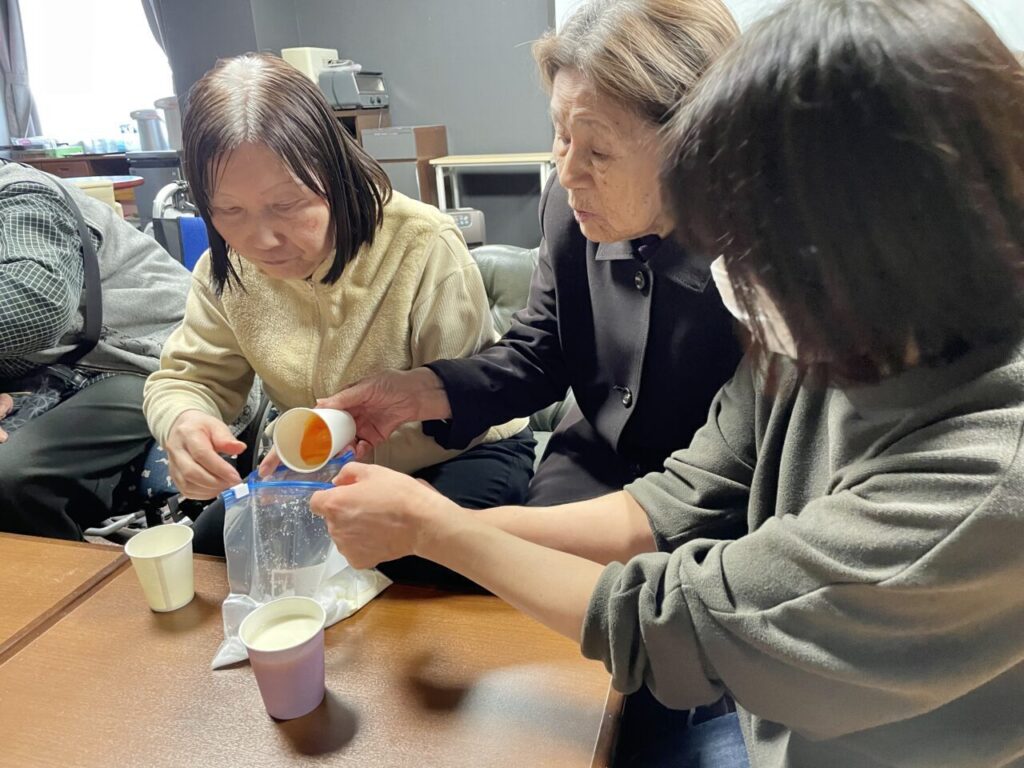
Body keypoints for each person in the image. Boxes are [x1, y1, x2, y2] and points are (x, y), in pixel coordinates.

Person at [307, 0, 1024, 764]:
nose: (729, 263)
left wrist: (439, 530)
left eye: (749, 235)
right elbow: (675, 498)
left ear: (874, 236)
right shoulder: (827, 339)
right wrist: (438, 519)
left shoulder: (981, 471)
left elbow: (678, 623)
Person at [318, 0, 744, 507]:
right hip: (595, 459)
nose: (567, 173)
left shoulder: (764, 257)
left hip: (716, 485)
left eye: (598, 151)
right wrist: (417, 393)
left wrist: (447, 528)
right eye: (560, 135)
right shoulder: (568, 209)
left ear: (695, 148)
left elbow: (743, 459)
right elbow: (542, 351)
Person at [143, 53, 533, 558]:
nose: (261, 239)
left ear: (334, 173)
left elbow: (464, 404)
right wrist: (183, 421)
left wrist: (338, 467)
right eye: (229, 210)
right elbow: (188, 377)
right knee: (215, 547)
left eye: (286, 205)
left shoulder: (420, 243)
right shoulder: (227, 270)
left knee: (419, 560)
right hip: (318, 465)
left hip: (459, 451)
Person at [0, 161, 191, 539]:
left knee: (12, 474)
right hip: (57, 366)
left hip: (143, 358)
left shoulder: (23, 197)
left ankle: (61, 573)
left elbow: (34, 307)